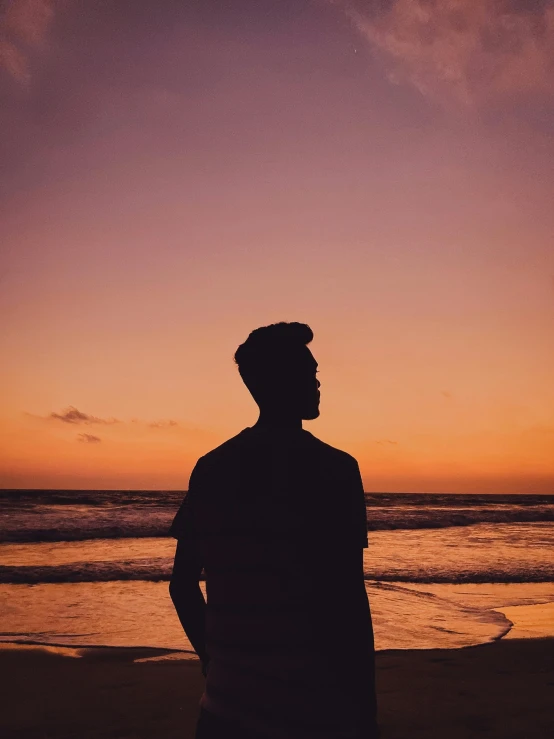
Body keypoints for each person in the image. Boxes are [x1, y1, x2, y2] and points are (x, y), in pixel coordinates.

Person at [169, 322, 379, 738]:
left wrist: (212, 662)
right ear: (280, 380)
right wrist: (364, 707)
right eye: (310, 373)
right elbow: (348, 600)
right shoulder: (335, 469)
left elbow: (182, 585)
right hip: (314, 707)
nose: (318, 383)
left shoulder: (210, 468)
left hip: (224, 708)